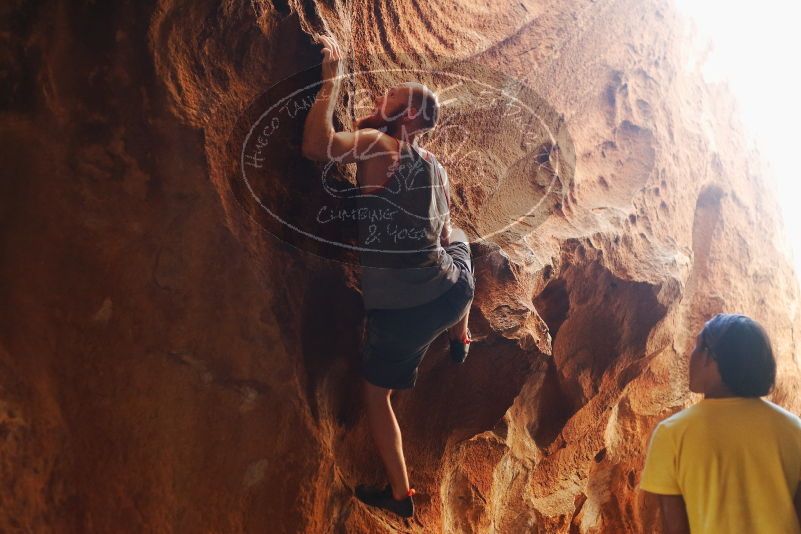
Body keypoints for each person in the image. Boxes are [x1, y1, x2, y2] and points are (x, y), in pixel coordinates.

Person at [302, 35, 475, 519]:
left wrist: (329, 84)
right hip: (451, 292)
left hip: (402, 310)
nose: (381, 100)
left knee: (377, 395)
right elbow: (443, 234)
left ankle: (401, 496)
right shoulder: (437, 169)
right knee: (460, 241)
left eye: (391, 98)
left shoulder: (378, 144)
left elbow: (317, 146)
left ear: (411, 117)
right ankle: (462, 334)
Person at [640, 313, 801, 533]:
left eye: (697, 347)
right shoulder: (794, 430)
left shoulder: (672, 434)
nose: (692, 356)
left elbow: (675, 529)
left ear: (710, 357)